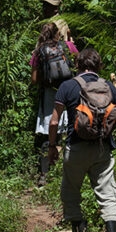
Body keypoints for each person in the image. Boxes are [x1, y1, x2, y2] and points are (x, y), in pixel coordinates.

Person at [47, 48, 116, 232]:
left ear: (77, 65)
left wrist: (52, 146)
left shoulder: (67, 87)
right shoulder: (108, 87)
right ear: (98, 66)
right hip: (102, 150)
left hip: (75, 149)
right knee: (108, 196)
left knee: (71, 193)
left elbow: (53, 120)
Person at [30, 22, 68, 187]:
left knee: (48, 133)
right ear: (57, 34)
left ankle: (45, 175)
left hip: (49, 96)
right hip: (68, 93)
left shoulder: (38, 52)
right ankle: (64, 173)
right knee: (66, 132)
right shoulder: (67, 47)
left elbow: (33, 79)